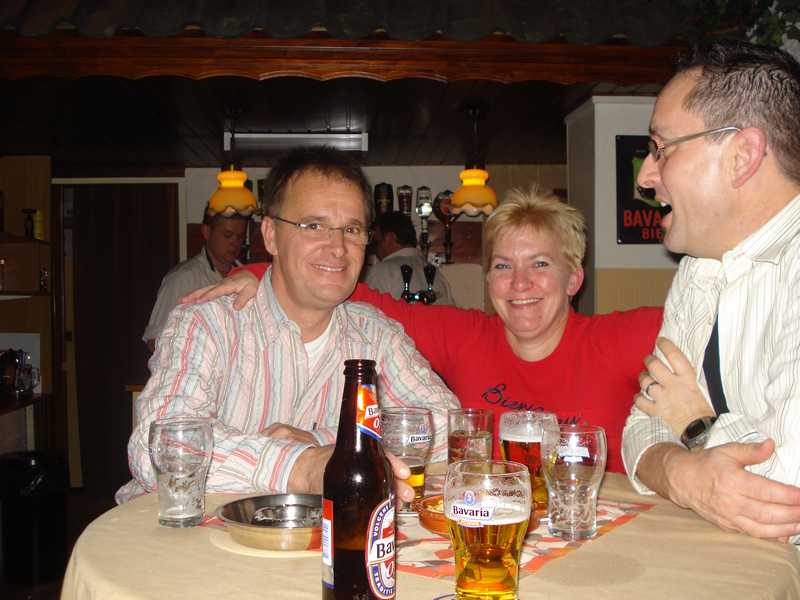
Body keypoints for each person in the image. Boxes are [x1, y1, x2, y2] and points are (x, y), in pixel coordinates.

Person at [186, 185, 663, 474]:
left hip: (599, 532)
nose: (520, 284)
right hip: (488, 530)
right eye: (502, 265)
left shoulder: (619, 338)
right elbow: (351, 293)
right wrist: (264, 272)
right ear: (488, 280)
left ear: (574, 278)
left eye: (540, 264)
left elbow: (700, 323)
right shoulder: (466, 336)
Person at [117, 147, 458, 503]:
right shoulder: (206, 322)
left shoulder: (377, 334)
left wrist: (325, 443)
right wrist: (302, 467)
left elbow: (448, 427)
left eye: (351, 229)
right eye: (314, 226)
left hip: (317, 534)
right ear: (270, 234)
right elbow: (160, 448)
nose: (338, 247)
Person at [622, 39, 800, 541]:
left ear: (743, 155)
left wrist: (695, 424)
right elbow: (638, 429)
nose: (645, 176)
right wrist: (683, 474)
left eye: (661, 148)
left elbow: (785, 498)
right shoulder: (699, 269)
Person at [142, 207, 249, 352]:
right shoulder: (182, 279)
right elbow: (154, 341)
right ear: (207, 232)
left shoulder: (249, 277)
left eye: (240, 237)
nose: (235, 243)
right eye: (227, 235)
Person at [365, 211, 455, 305]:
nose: (375, 250)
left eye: (376, 242)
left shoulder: (380, 271)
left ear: (389, 238)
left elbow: (366, 311)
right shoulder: (437, 275)